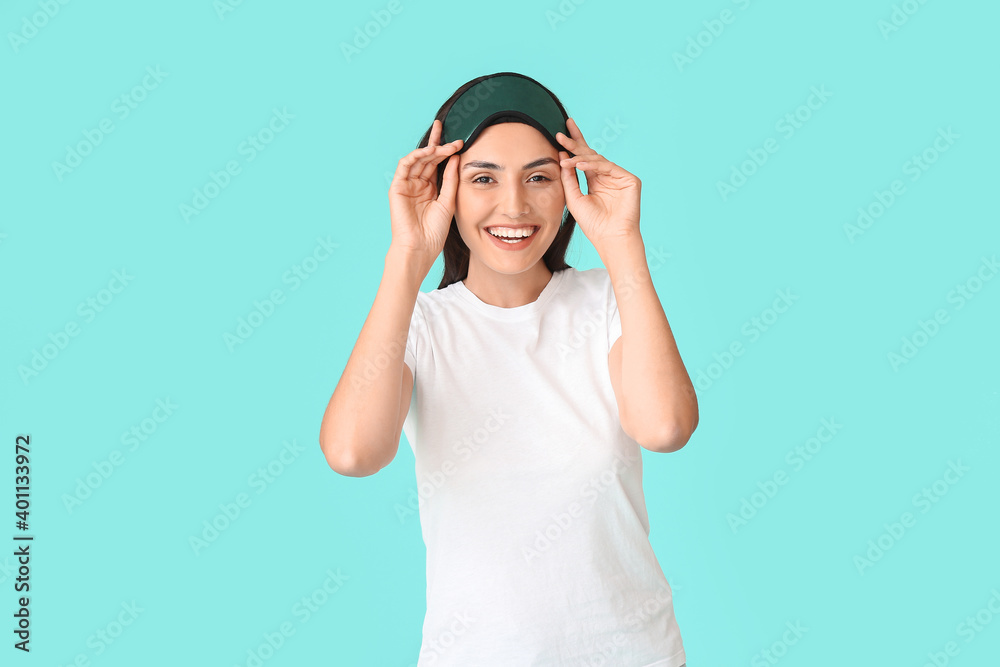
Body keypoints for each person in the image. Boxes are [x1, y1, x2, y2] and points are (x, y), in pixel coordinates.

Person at [319, 72, 697, 666]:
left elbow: (666, 428)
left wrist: (624, 243)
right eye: (484, 178)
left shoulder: (608, 302)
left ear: (571, 187)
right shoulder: (418, 325)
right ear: (446, 189)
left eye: (540, 178)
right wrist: (406, 258)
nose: (515, 206)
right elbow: (352, 453)